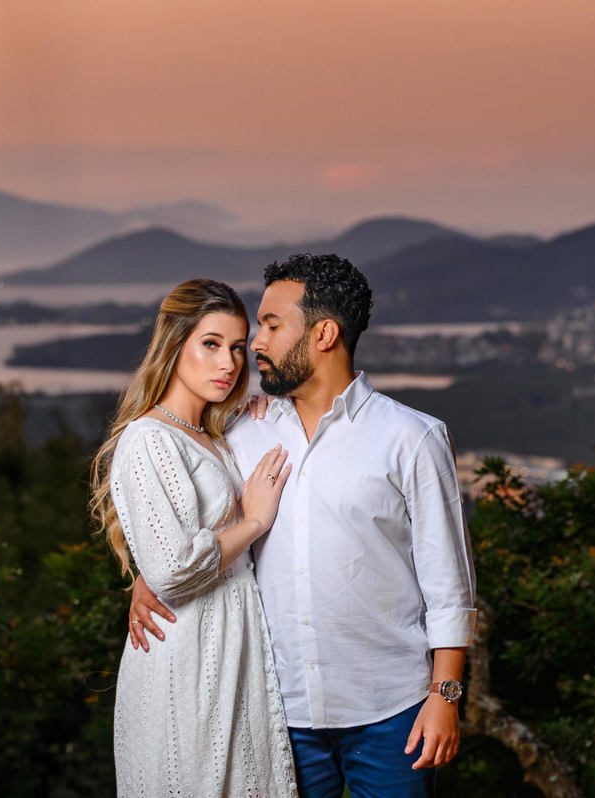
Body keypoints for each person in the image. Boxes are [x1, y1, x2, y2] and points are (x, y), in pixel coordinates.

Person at [130, 254, 477, 798]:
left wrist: (446, 695)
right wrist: (149, 577)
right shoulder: (241, 432)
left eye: (270, 326)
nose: (255, 345)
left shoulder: (413, 438)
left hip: (392, 711)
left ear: (324, 333)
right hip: (275, 711)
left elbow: (448, 584)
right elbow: (190, 520)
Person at [89, 278, 298, 797]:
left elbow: (174, 554)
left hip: (229, 648)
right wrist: (253, 522)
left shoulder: (213, 433)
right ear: (174, 343)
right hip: (185, 660)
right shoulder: (148, 439)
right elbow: (174, 570)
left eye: (234, 347)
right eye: (209, 344)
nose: (228, 363)